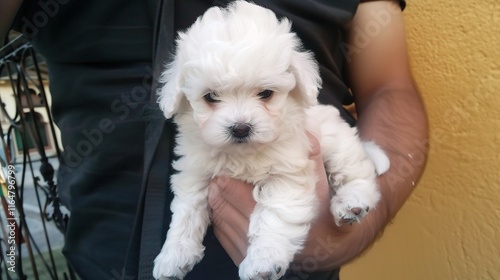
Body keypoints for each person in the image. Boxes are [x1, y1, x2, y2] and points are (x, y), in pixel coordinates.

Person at [0, 0, 427, 279]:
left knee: (334, 147)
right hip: (98, 257)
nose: (239, 121)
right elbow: (190, 190)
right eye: (211, 98)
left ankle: (353, 187)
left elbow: (389, 88)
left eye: (265, 94)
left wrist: (362, 212)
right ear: (179, 94)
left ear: (295, 80)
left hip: (305, 268)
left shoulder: (301, 98)